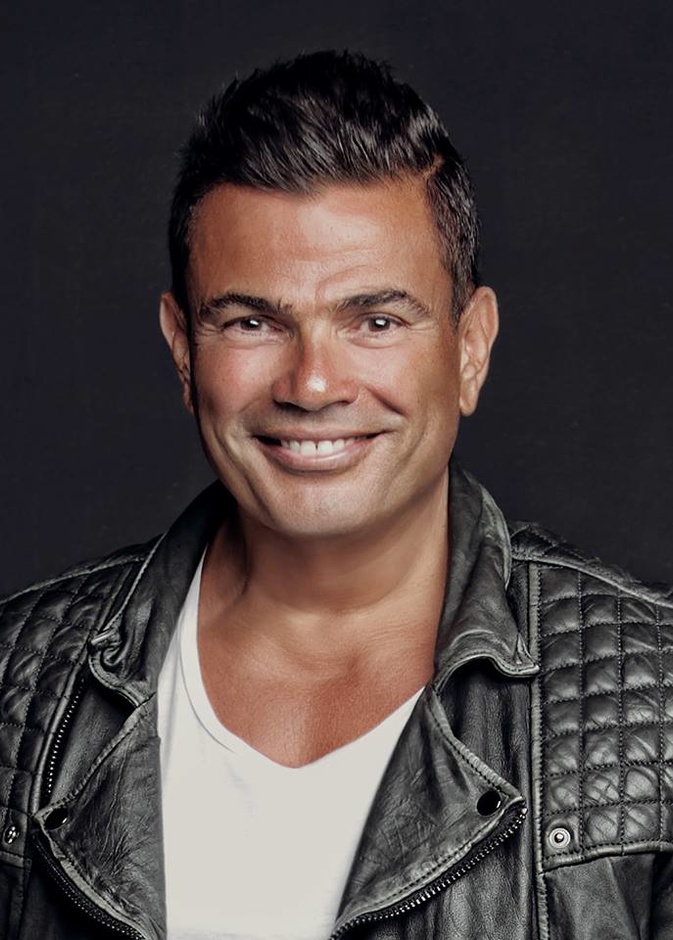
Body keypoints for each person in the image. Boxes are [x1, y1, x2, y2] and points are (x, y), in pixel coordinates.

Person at [0, 50, 671, 940]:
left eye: (375, 321)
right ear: (182, 350)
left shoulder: (653, 702)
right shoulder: (19, 685)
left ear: (470, 348)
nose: (312, 384)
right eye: (252, 321)